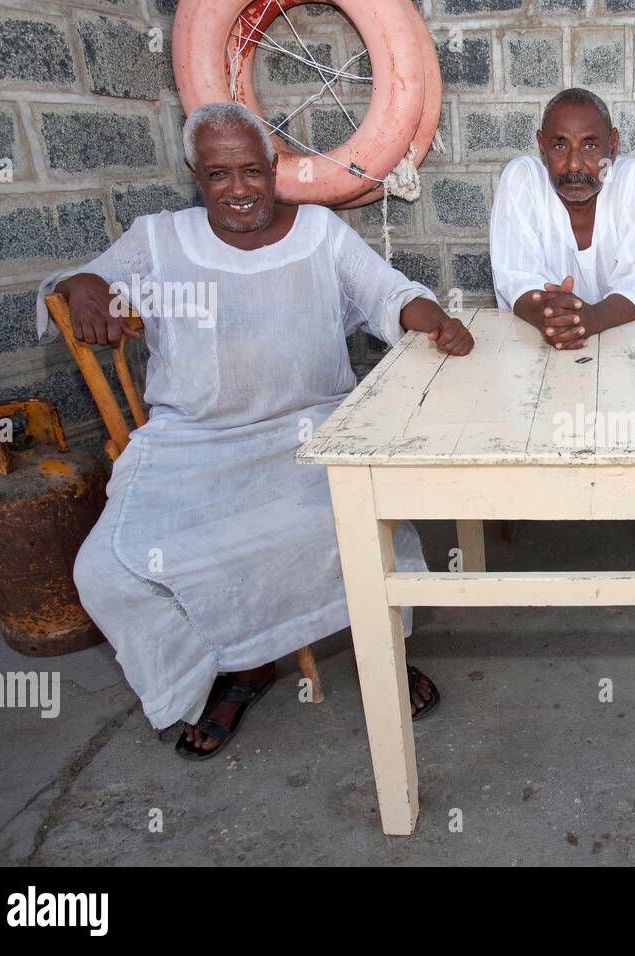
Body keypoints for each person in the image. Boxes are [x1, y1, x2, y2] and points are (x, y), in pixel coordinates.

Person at [37, 102, 473, 756]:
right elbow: (78, 285)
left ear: (274, 167)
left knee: (357, 516)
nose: (238, 189)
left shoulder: (321, 233)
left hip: (314, 435)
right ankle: (242, 659)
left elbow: (389, 293)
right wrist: (82, 283)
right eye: (218, 175)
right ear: (195, 174)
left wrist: (434, 319)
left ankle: (375, 647)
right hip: (194, 448)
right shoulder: (159, 239)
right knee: (106, 569)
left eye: (251, 171)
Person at [489, 87, 635, 349]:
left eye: (590, 145)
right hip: (533, 346)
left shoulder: (633, 180)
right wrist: (553, 318)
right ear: (542, 145)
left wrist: (591, 318)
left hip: (624, 348)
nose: (574, 164)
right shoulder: (523, 178)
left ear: (613, 144)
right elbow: (515, 275)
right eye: (560, 145)